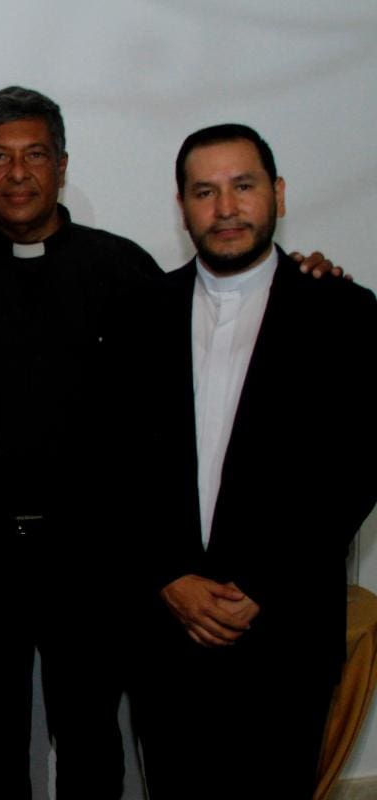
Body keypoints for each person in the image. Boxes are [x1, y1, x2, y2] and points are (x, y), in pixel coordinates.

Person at [0, 86, 161, 799]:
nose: (16, 174)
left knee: (89, 739)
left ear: (60, 164)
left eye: (33, 156)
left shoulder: (126, 272)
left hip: (95, 559)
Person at [130, 124, 376, 800]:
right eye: (205, 192)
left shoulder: (345, 314)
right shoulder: (137, 315)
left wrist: (261, 585)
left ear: (279, 194)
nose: (227, 208)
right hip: (165, 633)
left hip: (284, 634)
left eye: (244, 186)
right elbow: (112, 467)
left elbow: (353, 470)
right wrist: (168, 578)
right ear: (182, 206)